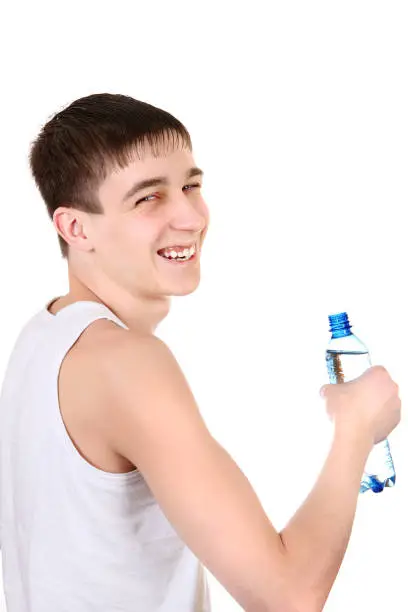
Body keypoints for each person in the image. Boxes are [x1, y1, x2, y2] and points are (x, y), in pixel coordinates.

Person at [0, 93, 401, 612]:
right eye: (149, 198)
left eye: (190, 185)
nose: (191, 217)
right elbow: (288, 596)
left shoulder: (44, 333)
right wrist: (357, 430)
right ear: (76, 228)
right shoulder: (123, 362)